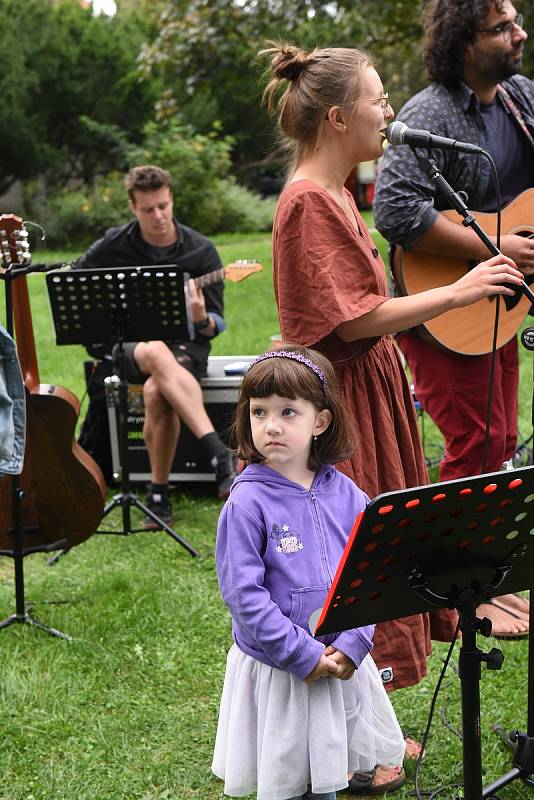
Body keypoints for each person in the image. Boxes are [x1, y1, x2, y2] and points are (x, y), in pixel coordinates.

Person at [260, 43, 523, 793]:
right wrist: (461, 290)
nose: (389, 113)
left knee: (368, 562)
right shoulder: (309, 199)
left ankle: (364, 738)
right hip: (337, 405)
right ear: (339, 116)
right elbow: (351, 323)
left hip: (363, 392)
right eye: (378, 99)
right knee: (347, 571)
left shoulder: (338, 189)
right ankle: (347, 756)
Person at [373, 0, 532, 637]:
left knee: (496, 440)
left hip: (500, 299)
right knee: (473, 442)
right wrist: (493, 246)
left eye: (516, 22)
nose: (519, 34)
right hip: (447, 304)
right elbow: (394, 210)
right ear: (466, 42)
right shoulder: (431, 112)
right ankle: (455, 591)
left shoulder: (521, 97)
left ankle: (482, 577)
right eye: (502, 27)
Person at [212, 345, 406, 800]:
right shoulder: (246, 503)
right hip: (280, 669)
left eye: (288, 412)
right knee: (287, 777)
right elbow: (244, 596)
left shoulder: (349, 494)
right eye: (259, 412)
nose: (271, 425)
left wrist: (353, 642)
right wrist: (301, 655)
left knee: (328, 771)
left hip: (339, 660)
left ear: (320, 421)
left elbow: (369, 574)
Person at [76, 165, 236, 527]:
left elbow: (216, 324)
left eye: (164, 205)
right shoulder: (114, 245)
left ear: (171, 199)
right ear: (133, 207)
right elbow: (78, 283)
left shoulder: (201, 251)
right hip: (127, 348)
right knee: (152, 350)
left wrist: (198, 318)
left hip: (185, 349)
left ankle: (159, 498)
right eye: (148, 209)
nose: (159, 215)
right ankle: (217, 452)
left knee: (156, 393)